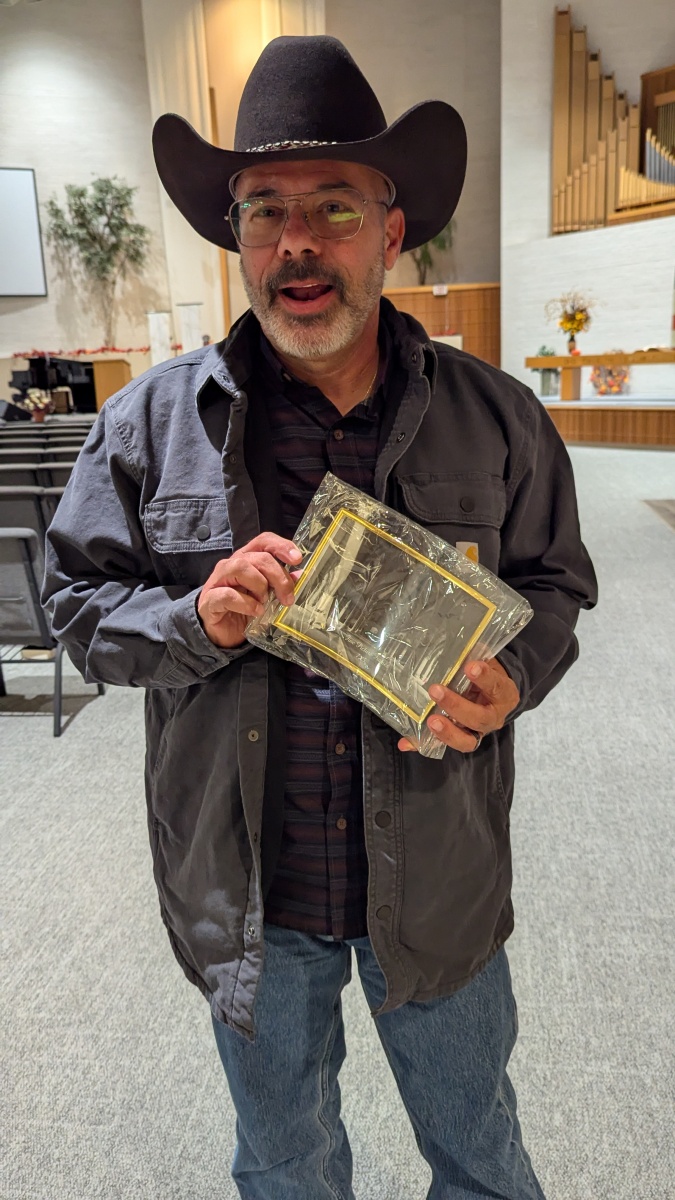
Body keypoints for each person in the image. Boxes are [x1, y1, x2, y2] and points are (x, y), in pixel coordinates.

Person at [42, 35, 597, 1200]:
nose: (297, 240)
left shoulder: (500, 418)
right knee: (285, 1165)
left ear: (391, 233)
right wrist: (195, 618)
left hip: (437, 871)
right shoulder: (148, 427)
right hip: (253, 887)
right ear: (237, 239)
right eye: (264, 210)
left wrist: (514, 674)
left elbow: (556, 584)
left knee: (482, 1158)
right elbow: (77, 605)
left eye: (333, 206)